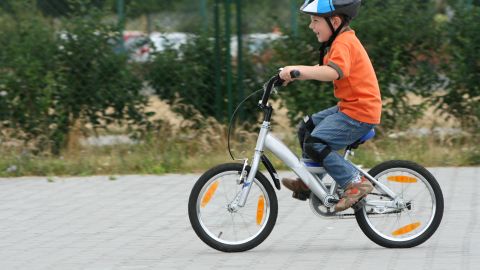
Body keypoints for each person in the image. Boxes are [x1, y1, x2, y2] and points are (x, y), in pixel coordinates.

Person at [279, 0, 382, 212]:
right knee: (306, 128)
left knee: (315, 143)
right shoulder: (339, 42)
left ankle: (355, 183)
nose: (311, 26)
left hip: (359, 112)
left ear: (334, 21)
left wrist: (298, 70)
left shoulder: (344, 42)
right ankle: (310, 183)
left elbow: (332, 72)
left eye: (315, 20)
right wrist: (293, 74)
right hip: (350, 107)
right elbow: (325, 67)